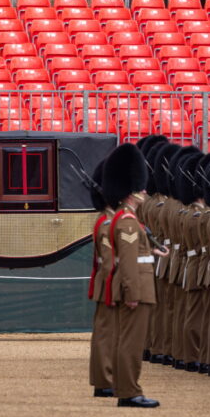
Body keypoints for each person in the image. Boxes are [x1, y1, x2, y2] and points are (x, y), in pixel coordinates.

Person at [102, 143, 165, 408]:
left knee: (127, 340)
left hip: (136, 285)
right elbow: (127, 261)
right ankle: (129, 391)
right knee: (131, 342)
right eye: (139, 187)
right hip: (136, 287)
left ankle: (125, 387)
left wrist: (152, 249)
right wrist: (132, 292)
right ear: (130, 192)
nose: (144, 191)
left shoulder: (126, 218)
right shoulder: (127, 221)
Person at [87, 160, 116, 398]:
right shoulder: (107, 223)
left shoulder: (106, 219)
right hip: (109, 285)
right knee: (106, 334)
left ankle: (103, 379)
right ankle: (105, 380)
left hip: (107, 284)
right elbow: (108, 263)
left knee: (105, 333)